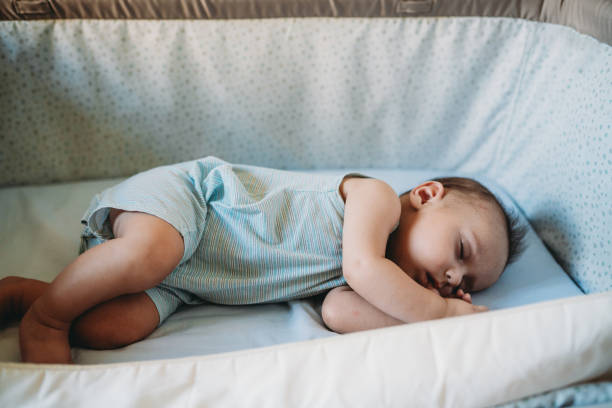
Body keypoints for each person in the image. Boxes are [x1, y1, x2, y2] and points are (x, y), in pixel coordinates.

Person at [0, 156, 526, 364]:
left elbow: (343, 313)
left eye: (467, 284)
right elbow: (362, 268)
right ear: (427, 195)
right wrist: (445, 313)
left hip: (188, 281)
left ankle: (31, 295)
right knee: (151, 252)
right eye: (461, 252)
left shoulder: (361, 282)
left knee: (115, 326)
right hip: (192, 206)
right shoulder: (377, 198)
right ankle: (48, 320)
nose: (455, 277)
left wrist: (435, 325)